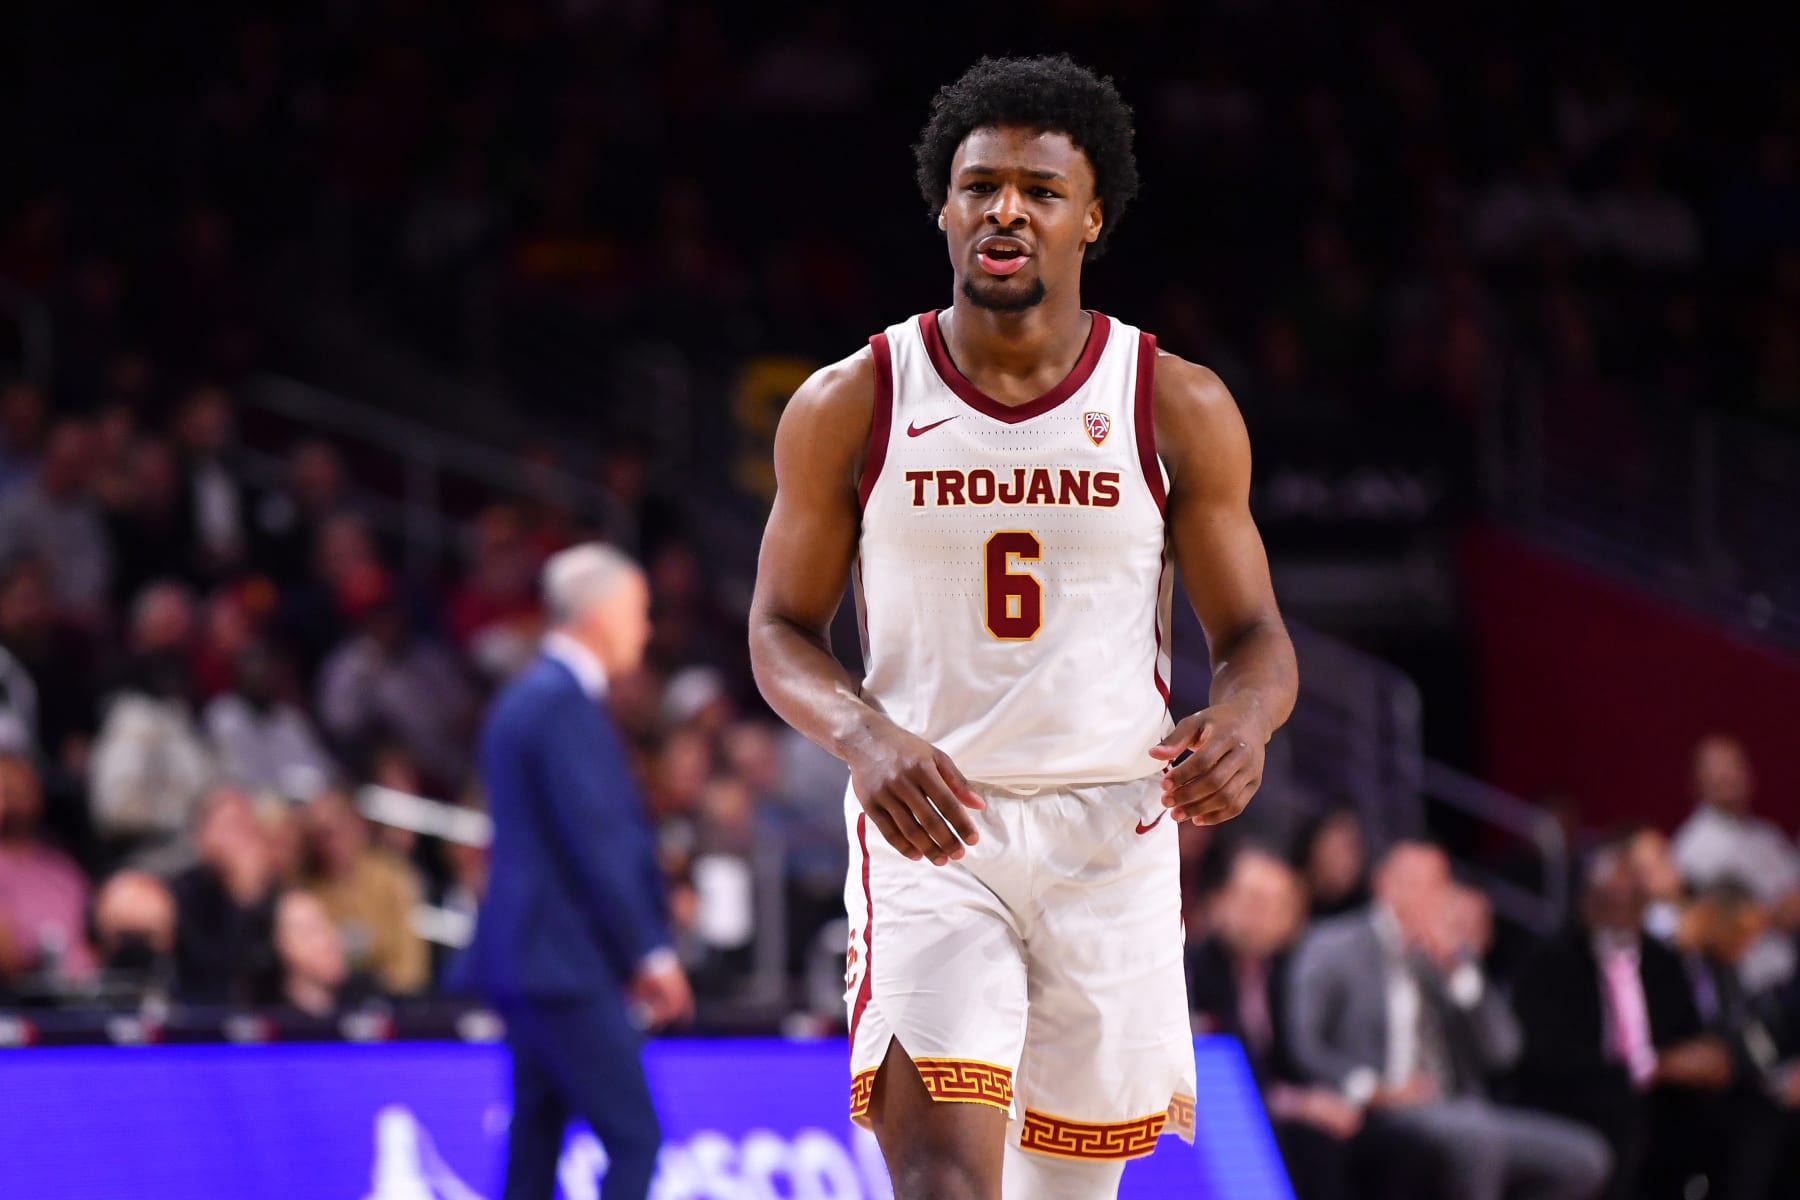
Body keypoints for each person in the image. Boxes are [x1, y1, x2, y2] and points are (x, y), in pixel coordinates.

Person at [747, 55, 1299, 1200]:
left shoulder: (1172, 401)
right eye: (981, 185)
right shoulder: (853, 398)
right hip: (933, 830)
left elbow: (1254, 634)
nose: (1007, 208)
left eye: (1041, 190)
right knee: (946, 1183)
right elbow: (778, 631)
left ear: (1091, 217)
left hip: (1112, 837)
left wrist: (1244, 720)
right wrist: (866, 737)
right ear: (944, 208)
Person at [458, 543, 692, 1200]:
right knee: (634, 1140)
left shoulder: (528, 697)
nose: (644, 629)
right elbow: (599, 843)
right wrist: (650, 951)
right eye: (639, 611)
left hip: (529, 959)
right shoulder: (560, 704)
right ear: (601, 612)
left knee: (534, 1144)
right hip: (563, 963)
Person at [1286, 842, 1610, 1200]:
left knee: (1584, 1159)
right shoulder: (1334, 944)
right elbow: (1304, 1043)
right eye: (1415, 882)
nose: (1428, 896)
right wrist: (1373, 1089)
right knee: (1473, 1141)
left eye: (1437, 885)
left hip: (1460, 1108)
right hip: (1380, 1111)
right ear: (1383, 883)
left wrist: (1458, 972)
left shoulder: (1447, 956)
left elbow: (1504, 1051)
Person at [1512, 841, 1733, 1200]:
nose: (1618, 907)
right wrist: (1647, 1067)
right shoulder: (1549, 962)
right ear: (1585, 897)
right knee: (1625, 1117)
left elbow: (1691, 1037)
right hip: (1577, 1100)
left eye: (1629, 897)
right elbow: (1543, 1059)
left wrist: (1706, 1058)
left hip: (1664, 1101)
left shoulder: (1663, 962)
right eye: (1607, 896)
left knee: (1742, 1113)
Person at [1187, 845, 1358, 1200]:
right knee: (1307, 1143)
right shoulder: (1194, 969)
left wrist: (1323, 1098)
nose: (1259, 917)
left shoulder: (1283, 973)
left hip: (1271, 1104)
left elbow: (1295, 1058)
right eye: (1251, 900)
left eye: (1274, 906)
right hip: (1217, 1112)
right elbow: (1210, 1069)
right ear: (1220, 901)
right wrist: (1299, 1103)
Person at [1670, 735, 1800, 989]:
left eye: (1734, 765)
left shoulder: (1767, 835)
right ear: (1696, 783)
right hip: (1742, 990)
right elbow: (1700, 929)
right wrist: (1770, 915)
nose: (1728, 775)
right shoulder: (1692, 846)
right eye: (1716, 769)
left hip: (1788, 978)